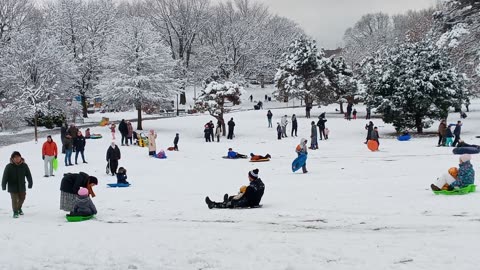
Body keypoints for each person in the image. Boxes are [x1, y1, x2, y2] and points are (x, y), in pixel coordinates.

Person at [2, 151, 33, 218]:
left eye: (18, 157)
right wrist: (3, 185)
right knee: (14, 200)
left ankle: (19, 208)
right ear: (12, 158)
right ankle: (15, 212)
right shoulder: (8, 166)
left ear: (20, 157)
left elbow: (28, 175)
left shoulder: (24, 165)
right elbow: (5, 176)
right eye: (15, 157)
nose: (17, 158)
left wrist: (30, 182)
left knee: (22, 198)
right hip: (12, 186)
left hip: (21, 185)